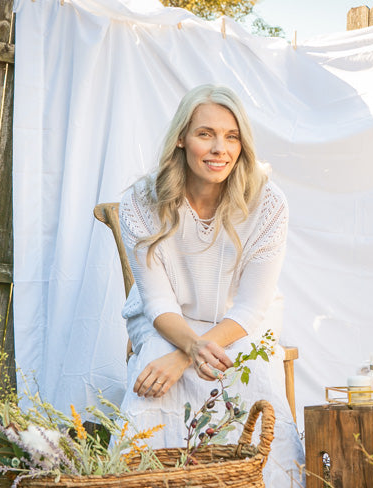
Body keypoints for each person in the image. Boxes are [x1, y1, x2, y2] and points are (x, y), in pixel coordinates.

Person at [118, 84, 305, 485]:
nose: (220, 148)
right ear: (182, 139)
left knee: (250, 370)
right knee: (155, 363)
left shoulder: (267, 203)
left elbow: (251, 308)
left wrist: (188, 356)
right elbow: (157, 302)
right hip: (165, 321)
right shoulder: (140, 200)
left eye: (231, 136)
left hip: (239, 324)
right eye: (206, 134)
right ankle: (149, 478)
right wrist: (187, 345)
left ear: (242, 145)